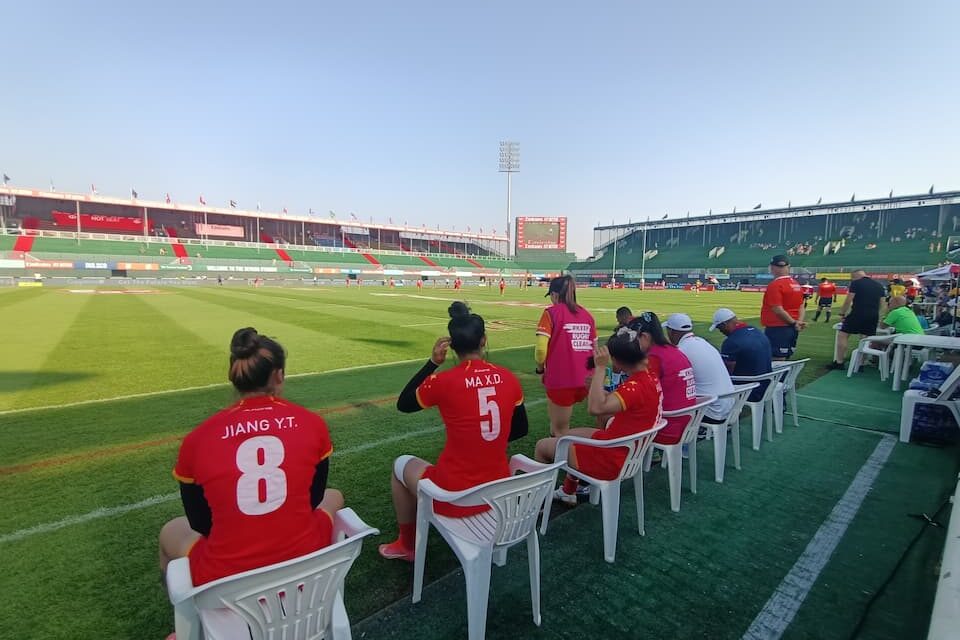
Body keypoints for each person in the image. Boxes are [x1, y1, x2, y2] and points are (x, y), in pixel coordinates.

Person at [158, 328, 344, 586]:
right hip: (303, 562)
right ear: (279, 375)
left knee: (170, 531)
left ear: (234, 376)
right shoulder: (312, 423)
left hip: (225, 580)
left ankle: (185, 621)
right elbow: (314, 499)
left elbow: (201, 523)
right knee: (334, 496)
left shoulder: (198, 439)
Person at [379, 302, 528, 561]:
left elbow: (404, 403)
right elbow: (521, 429)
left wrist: (431, 363)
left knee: (399, 465)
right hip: (497, 492)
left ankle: (407, 545)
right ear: (484, 340)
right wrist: (485, 441)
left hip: (454, 496)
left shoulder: (443, 382)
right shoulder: (509, 377)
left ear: (451, 346)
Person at [534, 331, 663, 505]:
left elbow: (596, 408)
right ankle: (568, 491)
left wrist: (600, 368)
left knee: (542, 447)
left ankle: (535, 507)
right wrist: (595, 389)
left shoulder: (635, 386)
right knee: (567, 437)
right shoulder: (650, 377)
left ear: (617, 361)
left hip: (612, 458)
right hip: (626, 447)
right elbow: (617, 401)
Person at [535, 275, 597, 436]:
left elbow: (541, 349)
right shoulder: (587, 315)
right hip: (587, 379)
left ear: (555, 295)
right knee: (559, 425)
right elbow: (595, 349)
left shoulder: (551, 313)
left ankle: (560, 459)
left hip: (561, 379)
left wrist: (540, 369)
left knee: (560, 430)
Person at [627, 312, 695, 445]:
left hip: (667, 426)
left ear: (645, 336)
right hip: (688, 423)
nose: (632, 344)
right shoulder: (674, 350)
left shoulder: (654, 358)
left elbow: (635, 395)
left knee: (609, 416)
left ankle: (620, 460)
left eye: (634, 338)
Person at [664, 313, 735, 425]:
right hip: (731, 405)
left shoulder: (681, 350)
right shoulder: (703, 342)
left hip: (713, 411)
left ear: (671, 332)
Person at [710, 308, 773, 402]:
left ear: (724, 325)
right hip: (767, 383)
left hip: (749, 389)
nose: (720, 331)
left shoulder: (731, 342)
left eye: (719, 328)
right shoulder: (757, 331)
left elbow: (727, 372)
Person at [830, 270, 886, 369]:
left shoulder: (856, 283)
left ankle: (839, 362)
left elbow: (849, 299)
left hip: (858, 313)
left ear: (855, 277)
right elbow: (883, 304)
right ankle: (861, 363)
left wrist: (842, 313)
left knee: (843, 335)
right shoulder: (879, 285)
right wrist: (878, 316)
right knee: (865, 339)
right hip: (873, 315)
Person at [760, 255, 806, 360]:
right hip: (792, 327)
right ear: (788, 267)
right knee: (786, 356)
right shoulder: (795, 284)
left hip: (778, 328)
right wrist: (798, 322)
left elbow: (777, 309)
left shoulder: (775, 285)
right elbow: (801, 306)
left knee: (777, 360)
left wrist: (794, 323)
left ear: (772, 267)